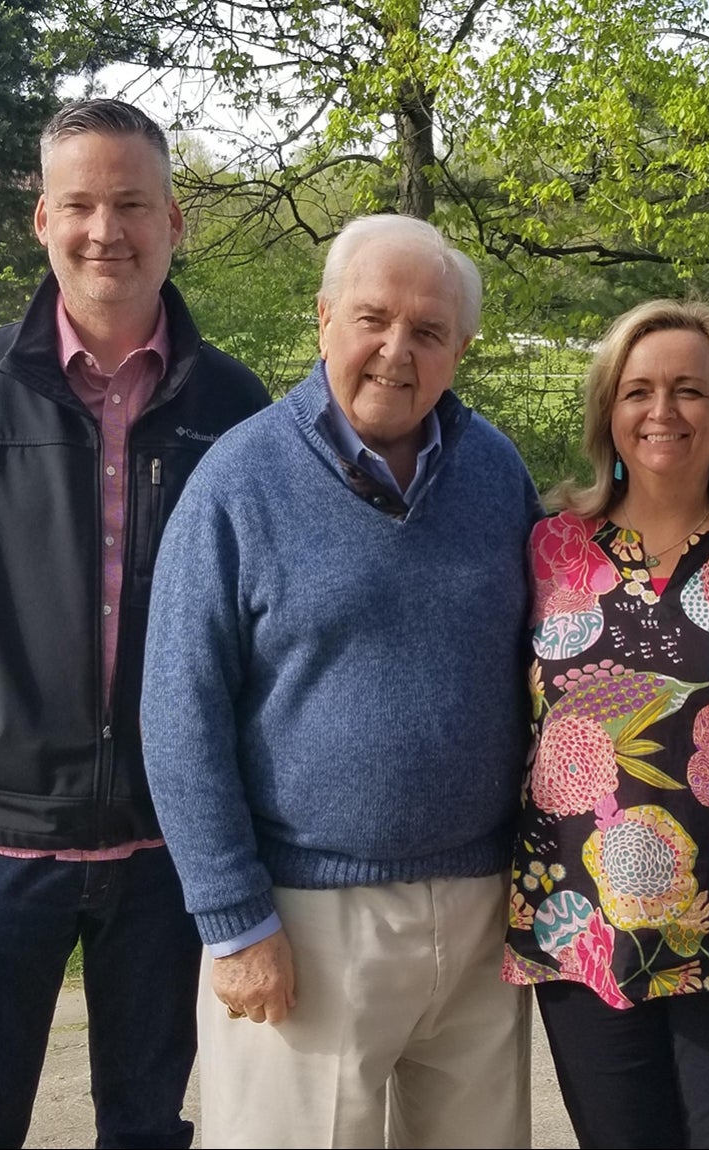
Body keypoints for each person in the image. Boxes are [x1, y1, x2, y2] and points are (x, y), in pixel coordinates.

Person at [0, 98, 270, 1149]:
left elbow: (262, 623)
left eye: (131, 204)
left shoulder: (235, 408)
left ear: (174, 223)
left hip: (168, 838)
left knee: (147, 1124)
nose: (104, 229)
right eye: (80, 203)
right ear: (41, 220)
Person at [140, 213, 539, 1150]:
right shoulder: (239, 481)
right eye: (373, 318)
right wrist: (234, 922)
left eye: (430, 331)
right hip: (305, 918)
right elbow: (177, 709)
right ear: (324, 319)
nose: (397, 351)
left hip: (481, 908)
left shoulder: (495, 471)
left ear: (461, 349)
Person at [502, 299, 709, 1149]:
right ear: (609, 412)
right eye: (638, 390)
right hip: (581, 927)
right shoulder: (545, 546)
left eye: (689, 391)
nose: (662, 412)